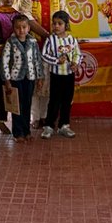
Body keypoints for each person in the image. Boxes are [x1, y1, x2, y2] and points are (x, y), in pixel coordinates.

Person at [18, 0, 67, 128]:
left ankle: (46, 115)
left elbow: (64, 15)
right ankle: (35, 117)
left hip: (52, 46)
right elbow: (26, 17)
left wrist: (56, 35)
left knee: (49, 81)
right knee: (33, 80)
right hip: (33, 44)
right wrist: (45, 34)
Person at [2, 15, 44, 141]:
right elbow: (4, 61)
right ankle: (18, 133)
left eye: (24, 27)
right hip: (16, 78)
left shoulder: (33, 42)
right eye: (18, 27)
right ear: (13, 28)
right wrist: (7, 80)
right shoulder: (10, 42)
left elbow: (37, 60)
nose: (21, 30)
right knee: (17, 106)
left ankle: (26, 131)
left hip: (30, 77)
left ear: (29, 28)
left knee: (27, 104)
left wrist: (40, 77)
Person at [41, 10, 81, 139]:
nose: (56, 26)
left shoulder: (72, 40)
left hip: (69, 76)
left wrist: (75, 63)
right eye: (54, 23)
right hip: (56, 76)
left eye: (60, 23)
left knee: (67, 101)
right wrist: (56, 60)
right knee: (54, 101)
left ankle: (64, 126)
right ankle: (49, 126)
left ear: (66, 25)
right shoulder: (50, 39)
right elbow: (44, 55)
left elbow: (77, 54)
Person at [0, 0, 21, 134]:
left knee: (15, 89)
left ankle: (17, 121)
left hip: (16, 59)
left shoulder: (18, 14)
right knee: (0, 90)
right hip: (0, 57)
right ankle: (1, 120)